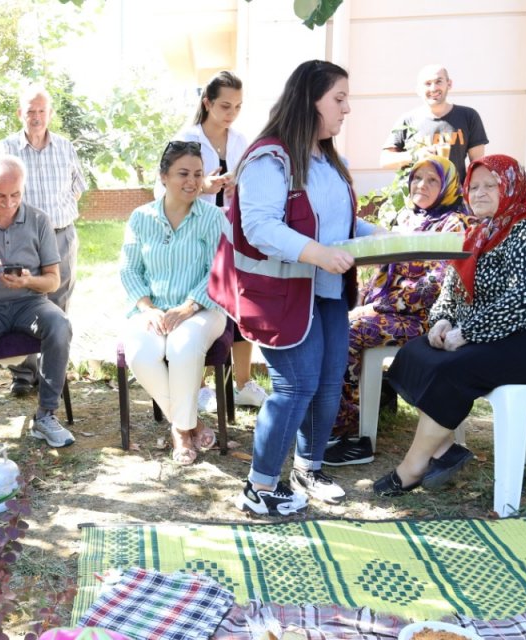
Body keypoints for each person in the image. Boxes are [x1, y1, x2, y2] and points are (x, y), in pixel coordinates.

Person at [211, 60, 380, 517]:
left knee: (327, 386)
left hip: (324, 291)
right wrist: (319, 254)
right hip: (281, 297)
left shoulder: (326, 158)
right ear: (311, 100)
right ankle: (260, 485)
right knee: (294, 387)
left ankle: (308, 467)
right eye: (339, 99)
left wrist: (378, 237)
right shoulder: (270, 158)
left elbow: (336, 221)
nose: (347, 109)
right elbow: (262, 226)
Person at [373, 155, 526, 496]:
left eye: (491, 185)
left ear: (512, 186)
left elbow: (525, 297)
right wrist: (443, 320)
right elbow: (452, 290)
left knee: (455, 368)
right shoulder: (479, 233)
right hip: (508, 332)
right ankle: (446, 451)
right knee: (417, 352)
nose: (479, 193)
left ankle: (413, 467)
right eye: (473, 186)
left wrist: (468, 333)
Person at [324, 156, 475, 466]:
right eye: (418, 178)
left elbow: (439, 284)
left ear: (448, 187)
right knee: (336, 321)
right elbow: (384, 271)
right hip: (395, 312)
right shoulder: (408, 218)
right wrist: (365, 302)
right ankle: (346, 414)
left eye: (433, 180)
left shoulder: (455, 223)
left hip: (429, 320)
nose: (422, 185)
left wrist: (377, 307)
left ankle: (348, 431)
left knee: (352, 331)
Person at [121, 141, 228, 465]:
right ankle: (190, 421)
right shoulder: (141, 218)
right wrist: (148, 308)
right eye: (183, 173)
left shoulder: (211, 217)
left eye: (198, 174)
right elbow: (128, 270)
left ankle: (180, 432)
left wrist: (189, 307)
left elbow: (218, 271)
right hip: (152, 309)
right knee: (141, 351)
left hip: (204, 309)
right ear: (164, 176)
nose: (192, 182)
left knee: (182, 345)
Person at [167, 70, 267, 411]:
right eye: (225, 105)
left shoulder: (241, 140)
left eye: (238, 106)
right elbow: (165, 191)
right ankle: (200, 385)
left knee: (241, 310)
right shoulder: (185, 139)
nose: (231, 113)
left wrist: (239, 186)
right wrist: (201, 187)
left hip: (235, 236)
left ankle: (243, 383)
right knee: (201, 304)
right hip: (197, 235)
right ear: (207, 103)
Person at [0, 154, 75, 448]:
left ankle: (45, 416)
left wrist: (28, 280)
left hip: (30, 302)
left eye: (15, 194)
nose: (8, 203)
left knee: (59, 324)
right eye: (0, 195)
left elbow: (53, 281)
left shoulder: (39, 219)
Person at [0, 85, 87, 397]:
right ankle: (23, 373)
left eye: (41, 111)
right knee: (22, 298)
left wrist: (56, 218)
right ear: (20, 113)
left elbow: (77, 187)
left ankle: (51, 372)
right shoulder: (4, 149)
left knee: (57, 302)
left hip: (61, 235)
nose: (36, 117)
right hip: (22, 238)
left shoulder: (64, 146)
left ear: (50, 113)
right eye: (30, 111)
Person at [380, 65, 488, 178]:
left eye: (439, 81)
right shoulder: (407, 120)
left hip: (455, 193)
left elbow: (477, 164)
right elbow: (385, 160)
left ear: (449, 84)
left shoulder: (468, 116)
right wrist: (415, 156)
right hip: (417, 193)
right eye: (427, 83)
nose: (433, 88)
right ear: (418, 90)